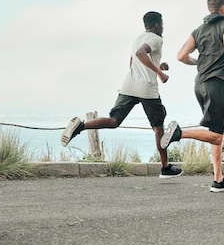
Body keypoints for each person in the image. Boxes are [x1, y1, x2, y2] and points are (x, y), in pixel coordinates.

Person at [60, 11, 182, 179]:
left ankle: (80, 126)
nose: (163, 27)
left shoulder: (139, 38)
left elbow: (133, 61)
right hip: (147, 89)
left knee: (114, 121)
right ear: (156, 25)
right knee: (158, 127)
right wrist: (159, 74)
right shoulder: (156, 39)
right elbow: (140, 54)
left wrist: (158, 66)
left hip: (129, 86)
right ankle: (165, 168)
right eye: (162, 24)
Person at [160, 0, 224, 192]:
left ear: (210, 9)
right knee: (216, 136)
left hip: (199, 84)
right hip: (215, 84)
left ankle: (218, 179)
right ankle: (179, 133)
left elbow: (181, 56)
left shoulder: (198, 30)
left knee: (215, 131)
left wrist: (198, 62)